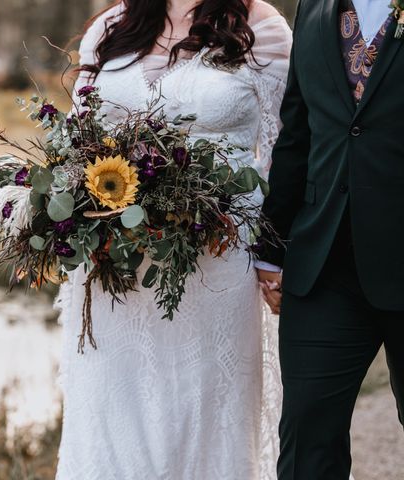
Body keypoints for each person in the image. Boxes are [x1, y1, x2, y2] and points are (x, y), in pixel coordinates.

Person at [55, 1, 292, 478]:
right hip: (114, 266)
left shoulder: (259, 26)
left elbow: (289, 149)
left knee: (204, 416)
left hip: (218, 259)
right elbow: (77, 140)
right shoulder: (112, 25)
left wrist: (276, 251)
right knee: (111, 418)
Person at [257, 0, 404, 478]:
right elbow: (297, 134)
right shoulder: (314, 8)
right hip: (324, 267)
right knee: (306, 443)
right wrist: (272, 248)